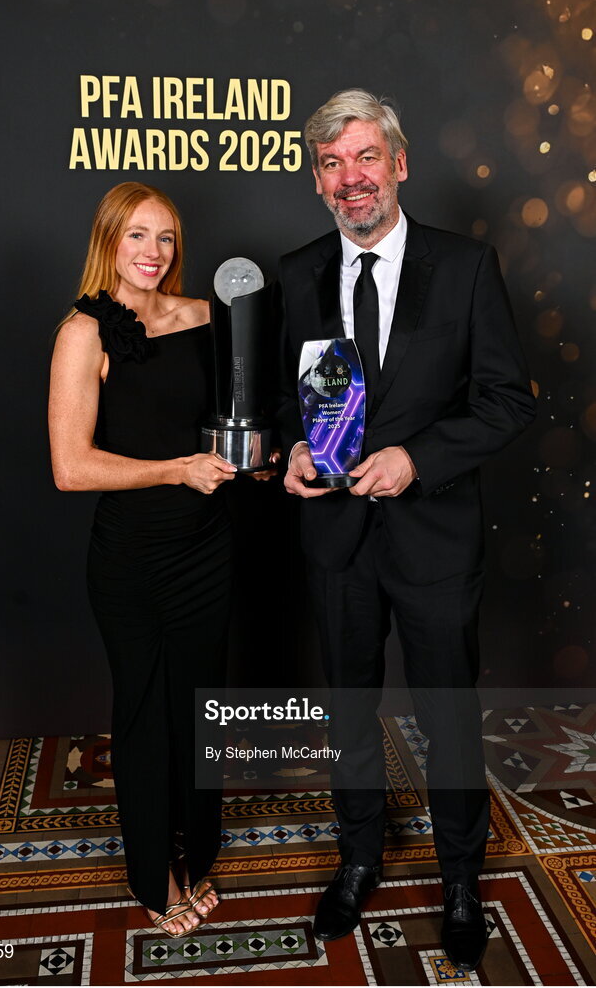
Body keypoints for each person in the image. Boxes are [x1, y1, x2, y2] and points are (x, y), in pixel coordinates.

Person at [276, 89, 536, 967]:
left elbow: (505, 402)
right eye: (331, 164)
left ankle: (461, 878)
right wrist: (293, 452)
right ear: (317, 181)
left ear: (399, 163)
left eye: (364, 158)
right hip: (336, 542)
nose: (351, 179)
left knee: (447, 718)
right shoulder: (296, 272)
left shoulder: (465, 267)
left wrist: (418, 458)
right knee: (349, 712)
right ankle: (358, 860)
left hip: (432, 539)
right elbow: (288, 398)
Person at [48, 182, 236, 938]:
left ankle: (196, 850)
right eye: (136, 236)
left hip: (207, 547)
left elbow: (226, 420)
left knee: (198, 709)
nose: (151, 253)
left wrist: (255, 456)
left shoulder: (201, 317)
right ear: (108, 241)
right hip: (133, 557)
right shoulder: (83, 332)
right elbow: (70, 467)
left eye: (164, 238)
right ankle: (154, 874)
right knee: (145, 714)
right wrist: (176, 469)